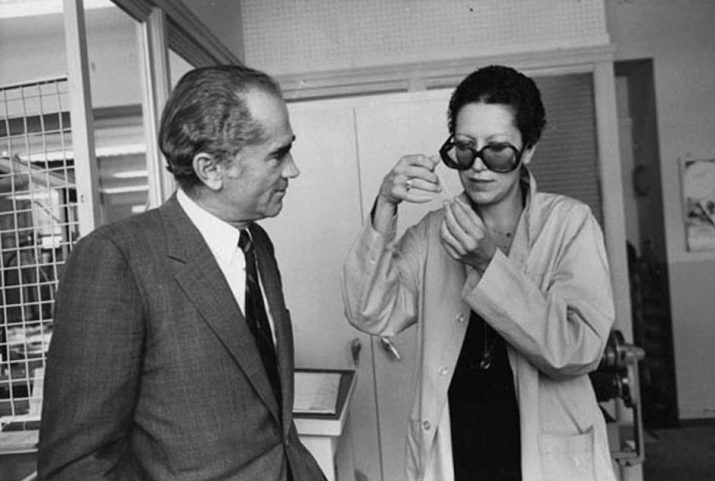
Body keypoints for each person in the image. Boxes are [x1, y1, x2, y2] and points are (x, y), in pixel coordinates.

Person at [38, 65, 326, 481]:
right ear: (211, 169)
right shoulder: (117, 258)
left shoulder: (257, 244)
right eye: (278, 155)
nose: (292, 170)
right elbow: (76, 465)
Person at [342, 65, 616, 481]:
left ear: (528, 149)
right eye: (465, 148)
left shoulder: (569, 224)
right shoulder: (434, 232)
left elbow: (578, 350)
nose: (477, 167)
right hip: (459, 452)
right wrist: (384, 207)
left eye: (498, 150)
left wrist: (488, 263)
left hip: (544, 460)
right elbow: (369, 311)